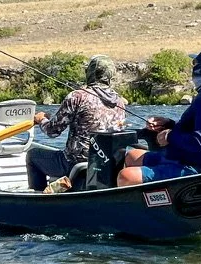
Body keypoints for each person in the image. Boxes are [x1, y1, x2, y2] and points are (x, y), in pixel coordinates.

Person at [117, 48, 201, 186]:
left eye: (194, 64)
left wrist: (169, 136)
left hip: (193, 167)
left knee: (125, 176)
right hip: (184, 157)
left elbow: (200, 142)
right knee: (132, 156)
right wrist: (169, 124)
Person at [27, 55, 127, 192]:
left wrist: (41, 120)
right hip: (105, 164)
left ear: (90, 73)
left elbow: (52, 131)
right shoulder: (119, 102)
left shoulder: (77, 97)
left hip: (74, 163)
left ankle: (38, 199)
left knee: (32, 155)